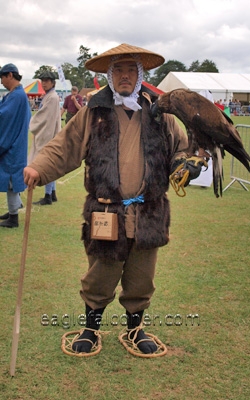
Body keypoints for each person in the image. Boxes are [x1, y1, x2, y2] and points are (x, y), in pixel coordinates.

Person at [23, 43, 204, 355]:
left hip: (149, 211)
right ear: (109, 75)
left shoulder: (160, 113)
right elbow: (65, 146)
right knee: (101, 273)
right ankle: (90, 329)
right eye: (118, 69)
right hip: (106, 213)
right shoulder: (93, 113)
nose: (124, 75)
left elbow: (182, 149)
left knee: (142, 276)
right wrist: (38, 167)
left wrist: (187, 164)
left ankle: (136, 330)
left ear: (139, 74)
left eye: (130, 69)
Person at [0, 63, 31, 228]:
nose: (1, 82)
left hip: (12, 144)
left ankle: (13, 218)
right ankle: (14, 209)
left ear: (10, 75)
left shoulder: (17, 96)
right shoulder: (15, 94)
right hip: (15, 142)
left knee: (11, 180)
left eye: (2, 78)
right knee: (11, 179)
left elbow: (4, 117)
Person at [29, 71, 61, 205]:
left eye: (47, 81)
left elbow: (45, 117)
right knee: (50, 163)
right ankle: (52, 193)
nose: (44, 83)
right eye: (43, 81)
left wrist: (32, 122)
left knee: (47, 164)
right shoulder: (49, 96)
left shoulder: (52, 97)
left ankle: (48, 195)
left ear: (53, 82)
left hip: (49, 134)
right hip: (51, 133)